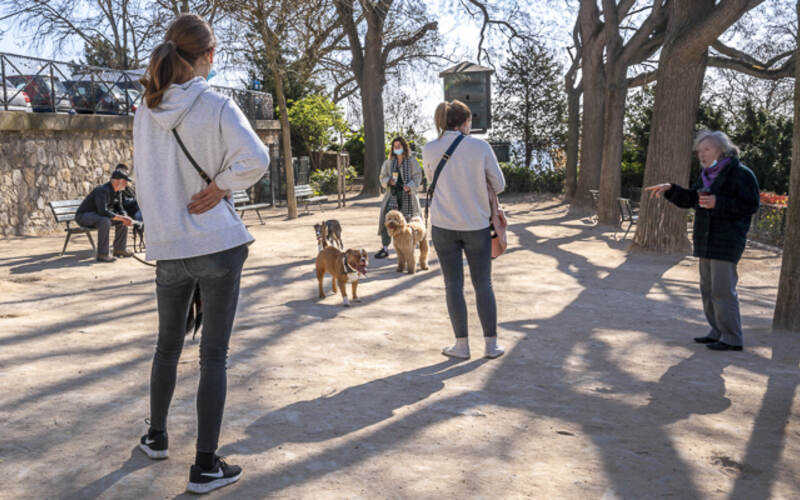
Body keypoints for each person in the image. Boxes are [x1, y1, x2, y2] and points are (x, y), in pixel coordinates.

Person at [133, 13, 269, 494]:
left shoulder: (145, 108)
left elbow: (143, 179)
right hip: (216, 243)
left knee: (166, 346)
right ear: (208, 56)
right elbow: (258, 158)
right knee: (213, 355)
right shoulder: (215, 103)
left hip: (168, 246)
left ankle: (156, 436)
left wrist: (165, 224)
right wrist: (220, 186)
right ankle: (205, 465)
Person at [645, 130, 759, 352]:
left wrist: (719, 202)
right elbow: (692, 199)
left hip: (726, 241)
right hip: (705, 240)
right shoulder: (707, 175)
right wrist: (671, 189)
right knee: (707, 288)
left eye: (707, 149)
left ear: (722, 150)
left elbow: (750, 205)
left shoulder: (742, 174)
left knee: (722, 290)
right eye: (699, 151)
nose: (702, 154)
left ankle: (732, 337)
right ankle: (717, 331)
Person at [422, 100, 506, 359]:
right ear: (464, 122)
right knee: (483, 284)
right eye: (469, 120)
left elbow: (432, 182)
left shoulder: (428, 149)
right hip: (476, 224)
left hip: (443, 225)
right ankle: (491, 345)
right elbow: (500, 184)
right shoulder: (480, 147)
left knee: (453, 285)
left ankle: (461, 345)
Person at [375, 136, 422, 259]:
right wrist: (388, 181)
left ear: (404, 147)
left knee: (409, 223)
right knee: (387, 220)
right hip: (393, 196)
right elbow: (382, 177)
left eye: (399, 146)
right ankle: (385, 248)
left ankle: (410, 248)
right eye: (394, 146)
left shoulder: (412, 161)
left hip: (408, 196)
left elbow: (418, 176)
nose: (396, 148)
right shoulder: (389, 162)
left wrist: (410, 185)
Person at [75, 170, 134, 262]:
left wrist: (125, 217)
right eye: (125, 181)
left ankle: (120, 249)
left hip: (98, 216)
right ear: (117, 181)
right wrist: (122, 217)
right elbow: (103, 212)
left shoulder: (118, 191)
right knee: (104, 220)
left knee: (120, 220)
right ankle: (103, 254)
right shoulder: (102, 191)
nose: (126, 184)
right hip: (84, 216)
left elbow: (120, 208)